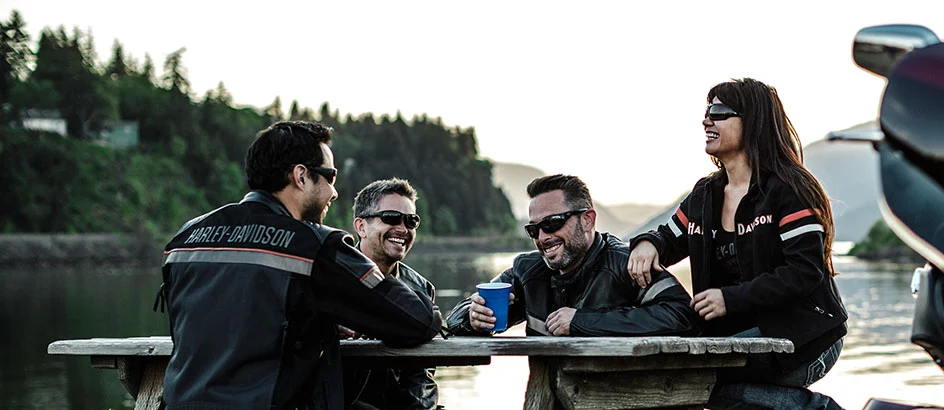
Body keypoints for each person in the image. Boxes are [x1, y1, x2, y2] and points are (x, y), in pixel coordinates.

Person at [155, 121, 440, 410]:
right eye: (330, 177)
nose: (334, 192)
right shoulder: (314, 246)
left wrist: (318, 318)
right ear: (301, 176)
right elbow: (417, 320)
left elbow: (240, 324)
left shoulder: (186, 236)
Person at [627, 78, 849, 410]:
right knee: (693, 376)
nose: (706, 120)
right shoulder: (705, 195)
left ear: (753, 121)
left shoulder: (789, 189)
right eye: (706, 111)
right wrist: (648, 244)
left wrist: (729, 299)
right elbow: (668, 238)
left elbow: (804, 272)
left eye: (718, 112)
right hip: (741, 337)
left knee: (708, 382)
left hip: (808, 336)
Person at [445, 174, 697, 337]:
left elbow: (682, 315)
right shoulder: (527, 271)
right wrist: (472, 317)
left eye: (552, 223)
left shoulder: (626, 263)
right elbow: (454, 318)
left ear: (587, 220)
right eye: (533, 229)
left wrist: (582, 322)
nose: (542, 237)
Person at [342, 178, 442, 410]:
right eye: (391, 218)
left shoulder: (421, 288)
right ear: (361, 227)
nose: (403, 229)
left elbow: (422, 374)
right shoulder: (333, 276)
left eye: (411, 221)